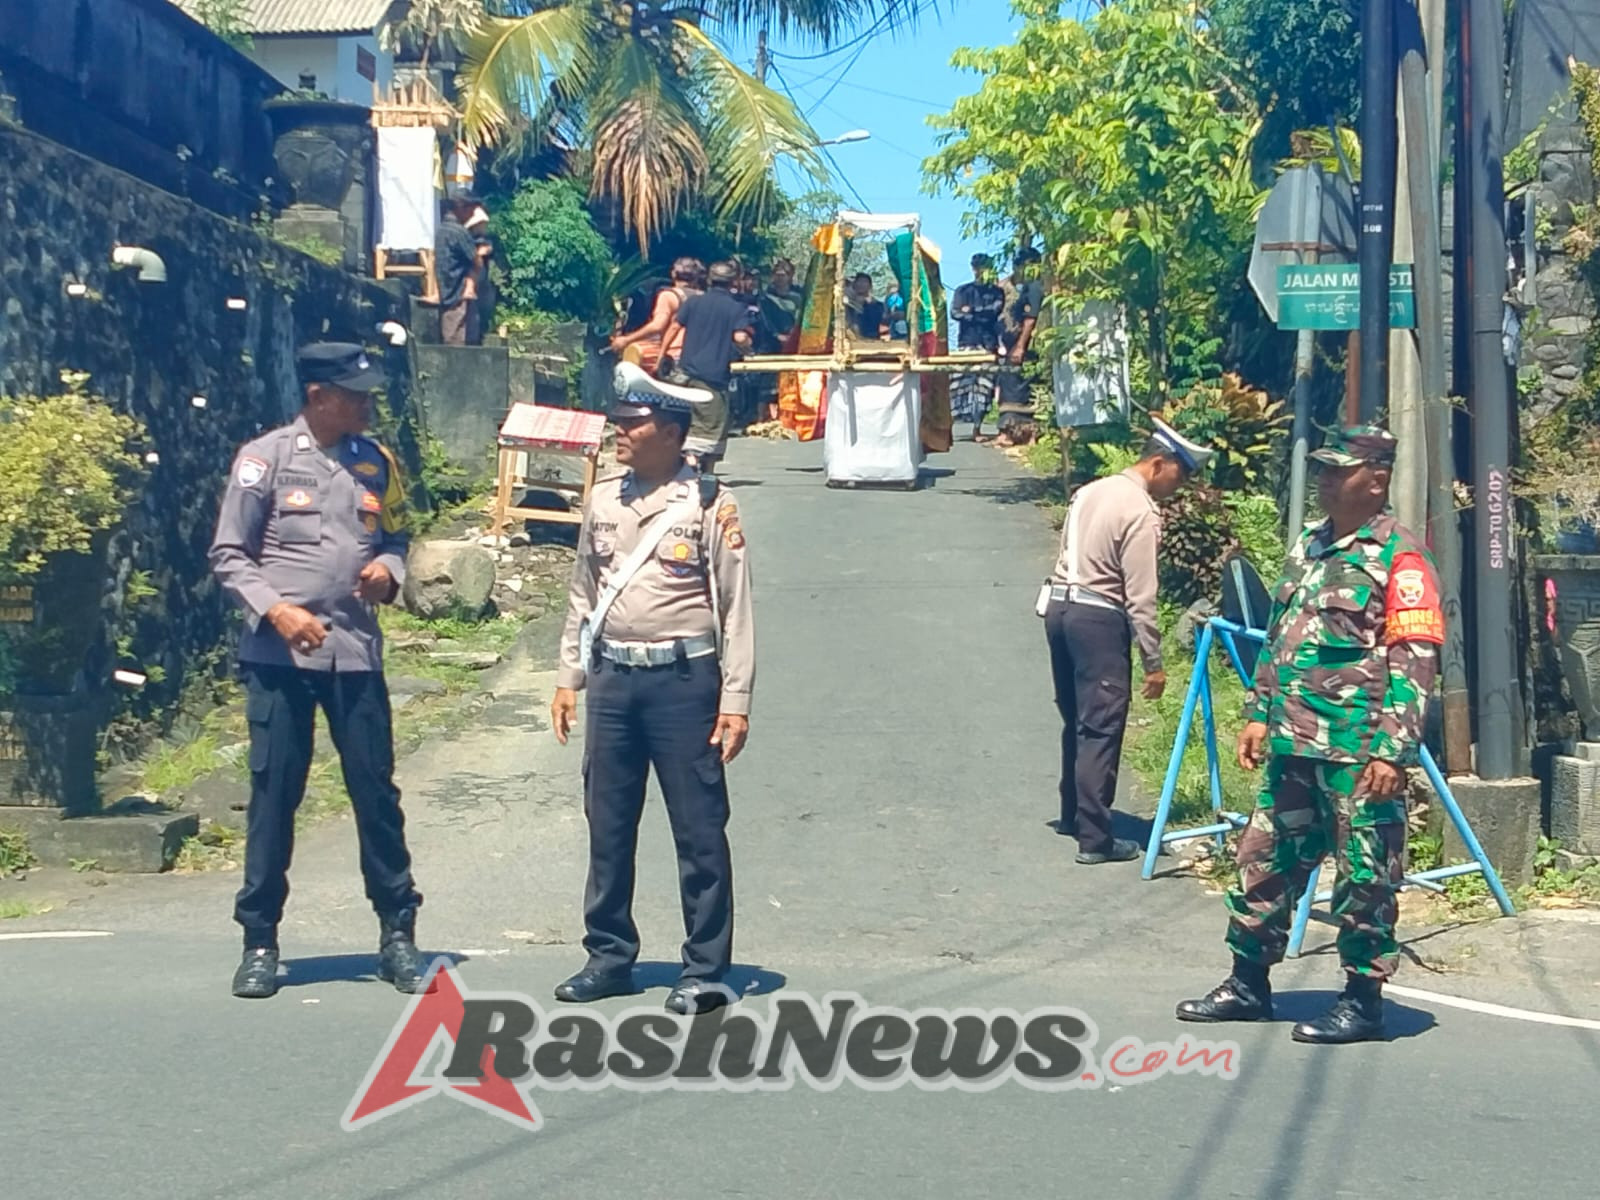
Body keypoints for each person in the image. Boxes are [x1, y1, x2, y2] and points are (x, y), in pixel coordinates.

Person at [1177, 425, 1444, 1044]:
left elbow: (1415, 657)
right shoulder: (1310, 544)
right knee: (1262, 861)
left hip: (1358, 751)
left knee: (1364, 873)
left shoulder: (1399, 558)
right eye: (1321, 467)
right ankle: (1248, 984)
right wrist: (1257, 711)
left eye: (1337, 469)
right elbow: (1283, 637)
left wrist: (1392, 749)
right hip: (1294, 743)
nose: (1323, 478)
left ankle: (1362, 1000)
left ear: (1375, 479)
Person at [208, 343, 428, 1000]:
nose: (366, 404)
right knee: (275, 796)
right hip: (281, 659)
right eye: (354, 394)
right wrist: (277, 612)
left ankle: (397, 932)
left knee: (375, 795)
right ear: (317, 396)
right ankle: (259, 939)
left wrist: (388, 572)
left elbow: (396, 537)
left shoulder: (374, 461)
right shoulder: (265, 460)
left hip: (355, 653)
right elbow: (228, 553)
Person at [549, 362, 755, 1016]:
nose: (620, 434)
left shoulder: (709, 502)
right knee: (607, 825)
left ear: (669, 431)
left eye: (631, 425)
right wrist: (568, 677)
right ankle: (608, 955)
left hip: (683, 683)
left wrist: (735, 701)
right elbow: (583, 593)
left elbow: (735, 608)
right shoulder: (605, 498)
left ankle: (704, 969)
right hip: (613, 680)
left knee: (698, 831)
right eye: (620, 423)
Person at [1043, 418, 1211, 863]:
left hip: (1060, 609)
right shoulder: (1139, 510)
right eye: (1182, 474)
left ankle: (1072, 813)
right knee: (1102, 725)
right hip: (1099, 619)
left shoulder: (1089, 492)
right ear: (1160, 463)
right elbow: (1141, 595)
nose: (1182, 486)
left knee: (1077, 717)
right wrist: (1153, 661)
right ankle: (1096, 838)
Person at [664, 260, 754, 475]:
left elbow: (674, 326)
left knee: (688, 420)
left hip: (685, 373)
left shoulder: (694, 302)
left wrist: (661, 356)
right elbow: (740, 337)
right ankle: (699, 471)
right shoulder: (736, 308)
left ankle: (692, 470)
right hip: (713, 377)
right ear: (733, 282)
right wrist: (747, 348)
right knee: (710, 425)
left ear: (710, 280)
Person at [610, 257, 703, 377]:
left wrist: (626, 340)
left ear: (673, 273)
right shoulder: (704, 298)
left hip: (672, 354)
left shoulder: (669, 296)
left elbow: (658, 325)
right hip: (697, 355)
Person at [949, 253, 1006, 439]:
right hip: (966, 342)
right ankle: (950, 429)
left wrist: (971, 311)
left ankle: (977, 428)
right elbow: (955, 313)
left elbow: (995, 311)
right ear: (973, 268)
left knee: (984, 387)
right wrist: (978, 314)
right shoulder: (962, 290)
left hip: (988, 344)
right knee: (959, 386)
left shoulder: (996, 292)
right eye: (978, 266)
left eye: (984, 266)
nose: (980, 270)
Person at [996, 245, 1044, 446]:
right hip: (1014, 345)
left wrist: (1020, 346)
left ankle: (1016, 433)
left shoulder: (1035, 287)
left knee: (1016, 389)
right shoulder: (1027, 287)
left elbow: (1030, 320)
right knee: (1012, 386)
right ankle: (1014, 433)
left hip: (1024, 348)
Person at [434, 196, 479, 346]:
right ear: (462, 209)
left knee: (450, 330)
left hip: (444, 285)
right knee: (456, 334)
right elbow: (475, 259)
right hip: (457, 287)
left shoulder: (441, 228)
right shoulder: (459, 231)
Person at [845, 273, 887, 341]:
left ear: (870, 286)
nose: (861, 284)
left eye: (864, 282)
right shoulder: (848, 303)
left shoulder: (878, 305)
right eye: (859, 281)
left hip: (871, 338)